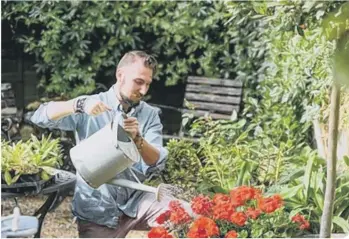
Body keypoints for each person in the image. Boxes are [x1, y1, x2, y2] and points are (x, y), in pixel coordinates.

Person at [31, 51, 192, 238]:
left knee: (190, 215)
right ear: (120, 75)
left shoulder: (149, 115)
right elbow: (40, 116)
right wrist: (78, 104)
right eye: (139, 82)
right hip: (98, 209)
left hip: (137, 200)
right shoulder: (91, 105)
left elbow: (156, 161)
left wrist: (138, 140)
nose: (144, 91)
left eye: (148, 84)